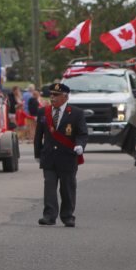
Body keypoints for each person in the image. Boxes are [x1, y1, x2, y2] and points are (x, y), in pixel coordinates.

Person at [35, 81, 88, 227]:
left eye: (56, 95)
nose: (52, 97)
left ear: (65, 96)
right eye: (51, 94)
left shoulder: (76, 113)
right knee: (49, 188)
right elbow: (38, 135)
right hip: (49, 156)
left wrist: (80, 145)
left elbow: (82, 133)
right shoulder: (43, 112)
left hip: (67, 156)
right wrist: (37, 153)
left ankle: (68, 216)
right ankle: (49, 216)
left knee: (68, 188)